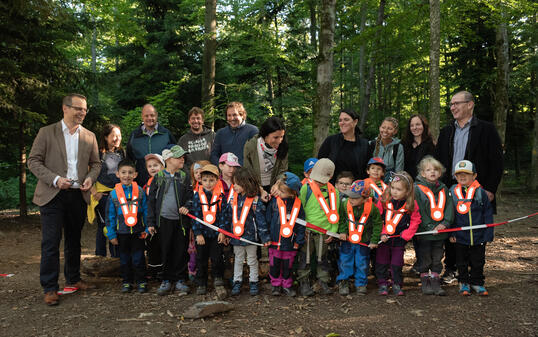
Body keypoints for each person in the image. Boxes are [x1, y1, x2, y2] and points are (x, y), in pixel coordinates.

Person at [28, 93, 101, 306]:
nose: (82, 113)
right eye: (78, 108)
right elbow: (33, 161)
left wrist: (89, 178)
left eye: (85, 110)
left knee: (73, 240)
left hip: (78, 195)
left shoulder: (90, 136)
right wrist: (55, 179)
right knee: (51, 242)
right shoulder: (46, 132)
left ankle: (74, 278)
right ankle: (50, 288)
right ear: (65, 108)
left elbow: (96, 164)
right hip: (52, 195)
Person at [435, 90, 503, 284]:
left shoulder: (486, 129)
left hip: (477, 191)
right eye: (451, 104)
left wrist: (489, 189)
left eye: (456, 103)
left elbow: (497, 162)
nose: (452, 107)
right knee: (451, 227)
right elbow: (439, 160)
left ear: (470, 104)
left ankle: (475, 271)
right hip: (451, 189)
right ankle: (452, 269)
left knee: (475, 230)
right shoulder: (447, 131)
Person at [147, 145, 193, 296]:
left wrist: (187, 206)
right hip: (163, 220)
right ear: (168, 160)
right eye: (178, 157)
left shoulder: (185, 176)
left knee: (181, 249)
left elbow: (191, 197)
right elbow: (151, 202)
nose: (182, 159)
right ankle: (166, 279)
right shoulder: (158, 178)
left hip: (181, 222)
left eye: (182, 157)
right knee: (165, 249)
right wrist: (151, 222)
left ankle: (180, 279)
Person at [220, 167, 270, 296]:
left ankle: (254, 281)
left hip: (251, 239)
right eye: (234, 183)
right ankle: (237, 281)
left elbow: (261, 222)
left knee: (252, 260)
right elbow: (226, 217)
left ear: (246, 183)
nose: (234, 186)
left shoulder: (255, 201)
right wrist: (224, 232)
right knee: (237, 259)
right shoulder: (232, 200)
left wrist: (265, 238)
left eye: (237, 183)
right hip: (236, 238)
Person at [296, 158, 341, 296]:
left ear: (330, 176)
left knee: (323, 259)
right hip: (308, 231)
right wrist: (301, 230)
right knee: (305, 258)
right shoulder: (306, 188)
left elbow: (335, 213)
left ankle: (323, 282)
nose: (319, 181)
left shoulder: (334, 192)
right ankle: (304, 282)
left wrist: (332, 232)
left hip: (325, 232)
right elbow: (300, 210)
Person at [449, 160, 494, 296]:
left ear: (474, 176)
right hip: (460, 236)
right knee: (461, 262)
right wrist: (451, 232)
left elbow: (488, 213)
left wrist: (488, 233)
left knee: (478, 261)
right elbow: (450, 214)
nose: (462, 177)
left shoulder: (480, 193)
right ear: (455, 177)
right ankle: (463, 282)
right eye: (459, 174)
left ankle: (477, 282)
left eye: (466, 174)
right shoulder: (453, 192)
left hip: (478, 235)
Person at [106, 159, 150, 293]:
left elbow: (147, 211)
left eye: (130, 173)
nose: (127, 175)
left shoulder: (141, 192)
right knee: (124, 259)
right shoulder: (113, 194)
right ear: (117, 174)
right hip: (121, 233)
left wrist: (148, 228)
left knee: (139, 258)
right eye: (123, 172)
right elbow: (110, 216)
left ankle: (142, 281)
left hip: (138, 232)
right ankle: (127, 282)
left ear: (135, 174)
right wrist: (111, 234)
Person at [414, 156, 454, 296]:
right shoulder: (417, 189)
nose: (432, 172)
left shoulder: (444, 188)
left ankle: (435, 280)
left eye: (436, 170)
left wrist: (445, 223)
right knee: (425, 257)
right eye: (428, 170)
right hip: (425, 231)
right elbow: (418, 209)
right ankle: (425, 281)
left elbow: (449, 207)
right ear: (422, 173)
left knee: (438, 257)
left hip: (441, 231)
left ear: (440, 172)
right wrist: (430, 226)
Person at [376, 171, 420, 296]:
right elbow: (377, 218)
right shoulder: (383, 200)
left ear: (407, 191)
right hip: (384, 240)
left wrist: (408, 233)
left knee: (397, 263)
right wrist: (382, 232)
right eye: (393, 188)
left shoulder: (411, 204)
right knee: (381, 262)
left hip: (399, 240)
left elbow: (416, 220)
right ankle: (383, 283)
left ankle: (397, 284)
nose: (394, 192)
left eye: (399, 189)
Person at [336, 180, 382, 296]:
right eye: (350, 196)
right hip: (347, 240)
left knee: (362, 262)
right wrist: (342, 231)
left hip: (364, 240)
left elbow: (378, 224)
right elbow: (341, 219)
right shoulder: (344, 204)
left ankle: (361, 283)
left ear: (365, 198)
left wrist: (374, 240)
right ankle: (343, 282)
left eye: (355, 198)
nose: (351, 199)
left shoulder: (373, 208)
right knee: (345, 260)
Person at [190, 164, 229, 295]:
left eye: (211, 180)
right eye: (205, 180)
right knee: (201, 259)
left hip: (216, 235)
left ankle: (218, 278)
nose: (208, 183)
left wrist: (222, 232)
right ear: (200, 180)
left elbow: (224, 215)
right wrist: (198, 233)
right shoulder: (197, 196)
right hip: (202, 235)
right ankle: (201, 282)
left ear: (217, 180)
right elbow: (195, 216)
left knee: (217, 258)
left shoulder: (221, 196)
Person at [265, 172, 305, 297]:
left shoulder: (298, 205)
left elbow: (301, 224)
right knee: (274, 265)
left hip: (290, 244)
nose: (279, 194)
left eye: (282, 192)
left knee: (288, 266)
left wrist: (299, 240)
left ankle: (287, 285)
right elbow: (268, 220)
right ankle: (276, 285)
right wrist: (266, 237)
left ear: (293, 192)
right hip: (274, 242)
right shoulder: (274, 203)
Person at [88, 124, 124, 258]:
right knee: (103, 225)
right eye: (114, 135)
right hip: (102, 195)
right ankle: (100, 257)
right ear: (105, 137)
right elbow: (87, 173)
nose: (117, 138)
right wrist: (93, 192)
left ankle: (116, 258)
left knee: (116, 224)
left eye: (119, 136)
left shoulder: (121, 153)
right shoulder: (98, 153)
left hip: (118, 195)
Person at [127, 104, 176, 186]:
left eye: (152, 115)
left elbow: (175, 156)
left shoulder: (166, 133)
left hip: (164, 181)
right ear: (142, 117)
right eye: (146, 116)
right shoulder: (134, 135)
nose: (149, 118)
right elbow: (129, 159)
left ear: (156, 116)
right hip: (141, 182)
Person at [318, 109, 370, 183]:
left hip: (356, 190)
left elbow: (367, 170)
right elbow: (320, 164)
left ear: (355, 122)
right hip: (332, 189)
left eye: (346, 120)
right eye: (340, 120)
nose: (342, 123)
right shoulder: (331, 141)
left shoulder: (364, 144)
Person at [243, 116, 288, 193]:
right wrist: (260, 190)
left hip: (274, 187)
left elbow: (282, 171)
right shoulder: (251, 145)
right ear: (265, 135)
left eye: (282, 137)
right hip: (255, 187)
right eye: (276, 137)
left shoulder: (283, 146)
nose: (279, 141)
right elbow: (247, 172)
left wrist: (278, 184)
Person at [210, 102, 258, 166]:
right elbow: (214, 155)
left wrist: (236, 167)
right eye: (229, 115)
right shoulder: (220, 133)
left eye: (235, 115)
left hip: (246, 173)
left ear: (242, 115)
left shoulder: (252, 131)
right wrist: (222, 167)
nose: (232, 118)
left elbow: (256, 155)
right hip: (225, 173)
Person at [143, 153, 165, 280]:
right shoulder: (147, 184)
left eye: (156, 165)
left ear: (162, 166)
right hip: (151, 219)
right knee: (152, 244)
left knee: (164, 244)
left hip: (164, 218)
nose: (152, 168)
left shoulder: (166, 181)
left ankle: (163, 270)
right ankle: (153, 269)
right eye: (150, 166)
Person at [178, 107, 216, 172]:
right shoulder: (183, 140)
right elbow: (179, 160)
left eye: (198, 118)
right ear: (189, 121)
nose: (195, 121)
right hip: (191, 177)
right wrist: (188, 174)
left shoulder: (212, 136)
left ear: (202, 121)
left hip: (210, 175)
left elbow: (218, 155)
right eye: (193, 118)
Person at [369, 117, 404, 183]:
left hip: (390, 179)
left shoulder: (398, 147)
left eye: (390, 129)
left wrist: (394, 184)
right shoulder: (372, 144)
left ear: (395, 131)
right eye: (383, 127)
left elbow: (399, 171)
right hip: (373, 177)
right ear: (379, 128)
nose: (385, 130)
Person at [403, 114, 435, 180]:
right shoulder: (404, 144)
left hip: (423, 183)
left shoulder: (431, 145)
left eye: (418, 124)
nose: (415, 127)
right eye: (412, 125)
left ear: (424, 125)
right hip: (405, 182)